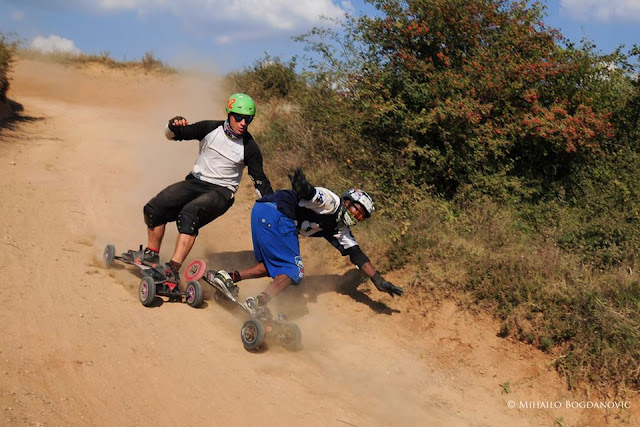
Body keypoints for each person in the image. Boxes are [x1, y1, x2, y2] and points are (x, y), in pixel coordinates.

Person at [131, 93, 273, 285]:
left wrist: (274, 208)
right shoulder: (210, 128)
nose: (243, 123)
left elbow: (260, 181)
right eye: (239, 117)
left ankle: (172, 269)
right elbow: (172, 135)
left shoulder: (249, 147)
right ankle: (151, 255)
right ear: (229, 114)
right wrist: (172, 125)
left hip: (221, 192)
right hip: (196, 182)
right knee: (155, 208)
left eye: (248, 119)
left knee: (189, 215)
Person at [216, 167, 403, 311]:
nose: (356, 216)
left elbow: (357, 255)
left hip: (263, 212)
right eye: (356, 210)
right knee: (294, 270)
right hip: (277, 214)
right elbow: (313, 194)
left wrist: (379, 281)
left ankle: (228, 277)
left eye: (361, 216)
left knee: (274, 266)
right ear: (347, 202)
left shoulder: (340, 228)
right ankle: (258, 303)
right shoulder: (332, 203)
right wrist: (303, 187)